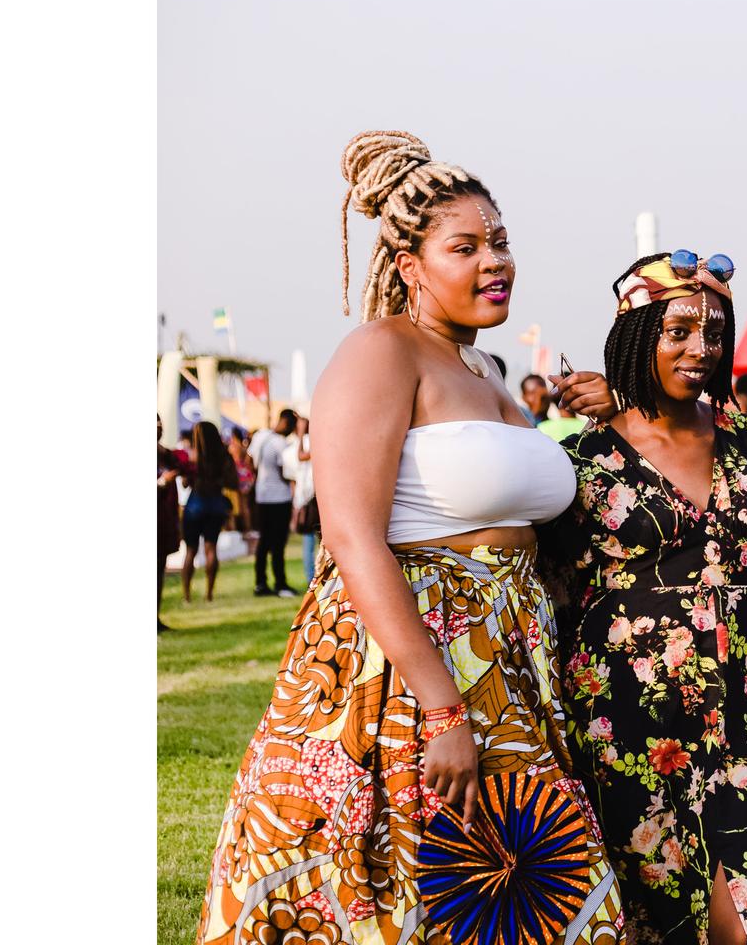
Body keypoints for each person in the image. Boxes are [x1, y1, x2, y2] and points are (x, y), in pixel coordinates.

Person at [197, 130, 624, 945]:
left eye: (500, 240)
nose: (494, 261)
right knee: (403, 894)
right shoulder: (380, 353)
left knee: (520, 893)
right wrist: (439, 707)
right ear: (408, 266)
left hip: (507, 663)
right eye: (464, 246)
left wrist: (612, 415)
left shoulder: (488, 372)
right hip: (405, 670)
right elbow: (352, 536)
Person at [544, 250, 747, 945]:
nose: (700, 349)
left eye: (714, 333)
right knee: (655, 924)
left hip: (737, 720)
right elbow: (551, 586)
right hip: (622, 722)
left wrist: (741, 634)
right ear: (638, 335)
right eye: (677, 331)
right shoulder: (587, 458)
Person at [178, 420, 235, 603]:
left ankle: (186, 595)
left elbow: (186, 483)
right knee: (211, 549)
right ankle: (209, 594)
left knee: (190, 551)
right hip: (216, 504)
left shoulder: (192, 457)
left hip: (195, 504)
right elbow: (232, 482)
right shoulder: (223, 455)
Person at [248, 409, 298, 596]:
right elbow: (286, 471)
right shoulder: (281, 444)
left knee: (264, 541)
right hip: (279, 498)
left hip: (262, 495)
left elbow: (250, 459)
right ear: (286, 422)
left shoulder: (261, 436)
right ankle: (281, 584)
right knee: (278, 543)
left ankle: (260, 582)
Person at [281, 415, 318, 588]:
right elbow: (294, 476)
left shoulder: (312, 443)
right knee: (310, 541)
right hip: (308, 499)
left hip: (312, 498)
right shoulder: (290, 451)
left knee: (315, 542)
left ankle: (316, 577)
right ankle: (313, 578)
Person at [159, 415, 182, 631]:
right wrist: (160, 483)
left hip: (164, 521)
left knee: (159, 570)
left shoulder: (164, 455)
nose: (159, 429)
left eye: (160, 425)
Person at [225, 427, 254, 535]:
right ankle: (247, 528)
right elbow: (249, 463)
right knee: (245, 505)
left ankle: (235, 528)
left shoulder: (231, 447)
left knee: (234, 504)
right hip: (246, 475)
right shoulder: (244, 447)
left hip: (236, 476)